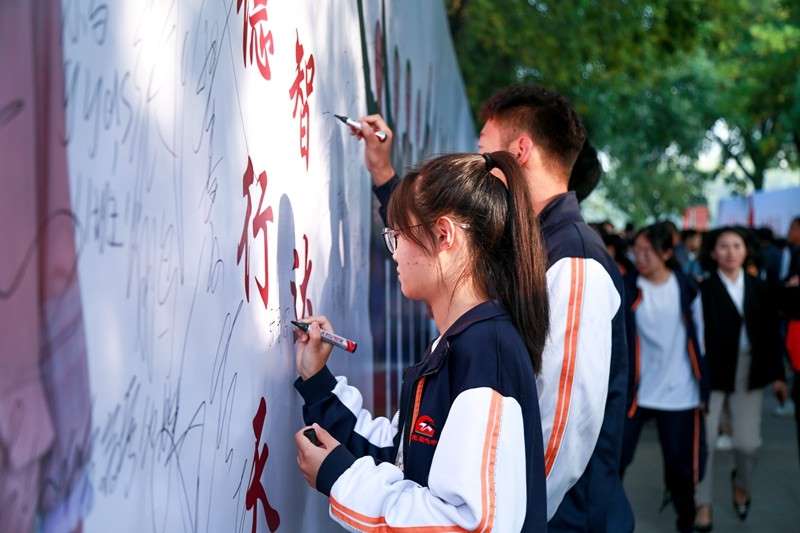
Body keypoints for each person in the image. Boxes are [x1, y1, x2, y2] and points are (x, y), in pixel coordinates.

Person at [353, 84, 633, 531]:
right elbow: (433, 245)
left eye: (484, 151)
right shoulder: (526, 244)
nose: (480, 165)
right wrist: (385, 175)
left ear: (520, 151)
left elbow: (561, 431)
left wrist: (521, 517)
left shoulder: (574, 261)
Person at [293, 152, 550, 531]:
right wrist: (318, 384)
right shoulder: (459, 343)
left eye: (397, 236)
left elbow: (466, 524)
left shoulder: (485, 354)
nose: (394, 253)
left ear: (444, 235)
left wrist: (340, 478)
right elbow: (401, 455)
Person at [693, 227, 787, 530]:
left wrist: (779, 376)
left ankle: (741, 484)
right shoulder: (703, 289)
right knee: (705, 442)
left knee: (748, 444)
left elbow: (772, 335)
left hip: (749, 370)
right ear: (712, 252)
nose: (731, 252)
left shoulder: (760, 287)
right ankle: (703, 503)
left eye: (737, 245)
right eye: (723, 246)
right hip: (711, 372)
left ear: (746, 251)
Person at [620, 222, 706, 533]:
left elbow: (700, 340)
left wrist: (704, 385)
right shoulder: (628, 288)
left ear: (667, 253)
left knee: (680, 468)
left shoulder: (687, 288)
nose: (640, 257)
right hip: (637, 392)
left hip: (680, 391)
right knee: (616, 460)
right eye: (637, 251)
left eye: (649, 251)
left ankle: (686, 521)